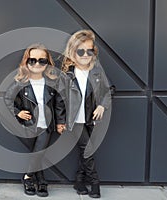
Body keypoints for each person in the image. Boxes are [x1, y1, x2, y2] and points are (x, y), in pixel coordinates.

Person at [4, 43, 65, 197]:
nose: (37, 64)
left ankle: (28, 177)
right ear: (27, 62)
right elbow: (7, 98)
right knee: (38, 153)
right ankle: (40, 180)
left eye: (42, 61)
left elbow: (59, 103)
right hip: (30, 125)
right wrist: (17, 112)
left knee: (38, 153)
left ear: (47, 63)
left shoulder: (52, 82)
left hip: (46, 125)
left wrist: (60, 122)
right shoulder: (21, 82)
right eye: (32, 60)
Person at [61, 30, 111, 198]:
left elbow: (107, 91)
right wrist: (60, 121)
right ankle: (95, 183)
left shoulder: (97, 72)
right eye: (80, 51)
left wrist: (102, 106)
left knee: (85, 151)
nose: (84, 54)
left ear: (93, 52)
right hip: (74, 120)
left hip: (91, 119)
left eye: (89, 50)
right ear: (72, 52)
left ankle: (79, 181)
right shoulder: (67, 74)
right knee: (87, 150)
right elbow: (60, 100)